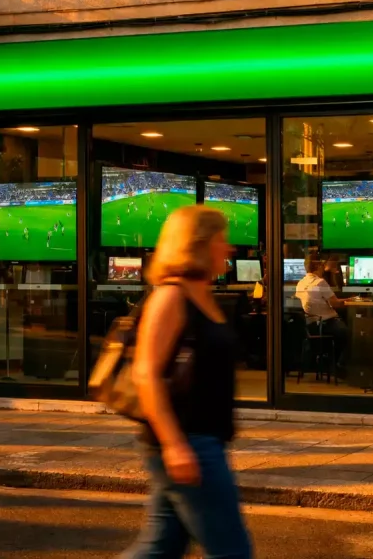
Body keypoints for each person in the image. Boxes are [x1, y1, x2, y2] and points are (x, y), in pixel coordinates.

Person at [122, 205, 252, 559]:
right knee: (233, 553)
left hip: (203, 441)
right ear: (200, 243)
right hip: (189, 444)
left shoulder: (201, 294)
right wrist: (175, 445)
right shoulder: (170, 296)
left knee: (159, 549)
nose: (230, 249)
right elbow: (145, 373)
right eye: (222, 240)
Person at [295, 256, 349, 376]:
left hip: (311, 325)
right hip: (325, 323)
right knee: (349, 334)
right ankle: (338, 365)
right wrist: (351, 300)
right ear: (318, 267)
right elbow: (335, 304)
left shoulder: (300, 283)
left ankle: (332, 364)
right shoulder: (320, 282)